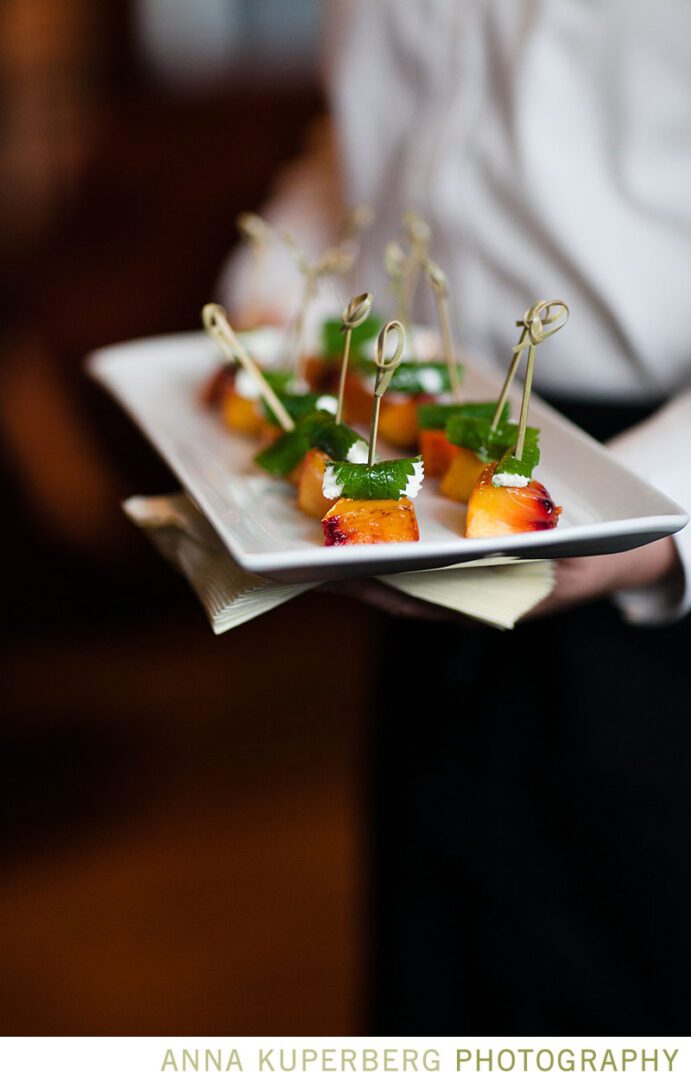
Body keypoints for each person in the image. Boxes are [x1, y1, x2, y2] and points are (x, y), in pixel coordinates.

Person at [219, 0, 691, 1032]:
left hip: (646, 535)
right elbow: (355, 148)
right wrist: (271, 307)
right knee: (440, 982)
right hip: (417, 466)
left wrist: (656, 511)